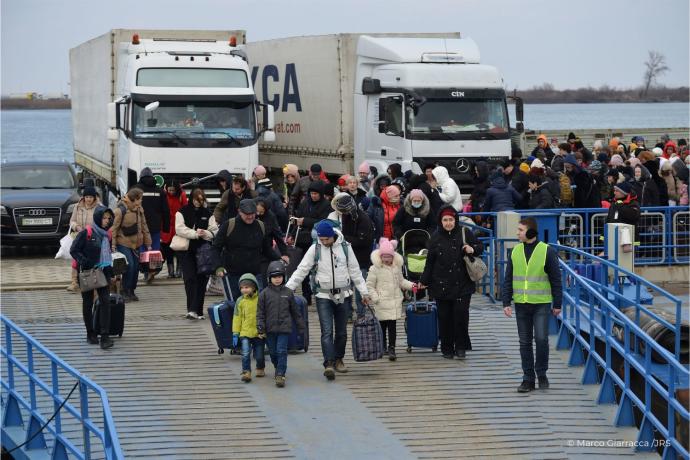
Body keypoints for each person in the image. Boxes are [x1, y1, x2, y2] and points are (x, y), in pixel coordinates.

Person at [286, 220, 371, 380]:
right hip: (323, 295)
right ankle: (329, 363)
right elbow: (302, 270)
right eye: (321, 239)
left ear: (333, 236)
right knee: (327, 331)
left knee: (341, 332)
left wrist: (364, 293)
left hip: (344, 295)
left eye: (326, 239)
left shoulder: (346, 247)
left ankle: (339, 359)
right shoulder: (315, 248)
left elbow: (355, 271)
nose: (324, 242)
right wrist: (288, 289)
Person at [502, 217, 563, 393]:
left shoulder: (547, 251)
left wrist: (557, 303)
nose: (517, 233)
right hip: (521, 304)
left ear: (530, 232)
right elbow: (508, 279)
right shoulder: (514, 252)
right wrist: (506, 302)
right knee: (524, 342)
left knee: (542, 340)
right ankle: (528, 378)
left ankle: (541, 372)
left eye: (520, 230)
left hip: (541, 304)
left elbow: (556, 279)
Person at [420, 205, 483, 359]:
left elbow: (480, 246)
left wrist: (472, 248)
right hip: (441, 284)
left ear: (455, 219)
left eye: (451, 219)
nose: (448, 223)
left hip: (462, 283)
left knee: (461, 316)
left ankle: (460, 347)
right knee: (444, 317)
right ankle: (447, 348)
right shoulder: (435, 237)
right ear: (440, 221)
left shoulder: (464, 232)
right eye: (445, 220)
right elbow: (430, 262)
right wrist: (423, 281)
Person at [214, 199, 278, 301]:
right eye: (247, 214)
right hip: (233, 274)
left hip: (255, 273)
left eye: (252, 213)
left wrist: (278, 259)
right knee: (235, 305)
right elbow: (216, 248)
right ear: (239, 211)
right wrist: (218, 267)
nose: (250, 216)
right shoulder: (229, 225)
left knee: (257, 304)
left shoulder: (260, 226)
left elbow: (267, 249)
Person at [70, 206, 116, 349]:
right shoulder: (86, 233)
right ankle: (90, 334)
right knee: (88, 303)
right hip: (88, 273)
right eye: (104, 218)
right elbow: (74, 250)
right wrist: (85, 262)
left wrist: (112, 271)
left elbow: (107, 254)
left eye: (109, 218)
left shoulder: (107, 234)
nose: (107, 221)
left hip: (103, 271)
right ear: (97, 217)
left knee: (105, 301)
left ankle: (105, 336)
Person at [257, 261, 306, 388]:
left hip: (284, 328)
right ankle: (277, 365)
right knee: (273, 352)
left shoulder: (289, 293)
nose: (277, 279)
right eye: (274, 277)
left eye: (280, 276)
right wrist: (260, 327)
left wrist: (301, 326)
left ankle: (280, 374)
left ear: (284, 277)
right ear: (269, 278)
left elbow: (295, 312)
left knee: (281, 351)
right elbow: (260, 313)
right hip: (269, 329)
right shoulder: (264, 294)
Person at [366, 238, 415, 361]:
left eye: (389, 257)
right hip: (381, 302)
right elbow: (370, 286)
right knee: (382, 326)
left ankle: (392, 347)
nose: (387, 259)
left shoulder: (396, 268)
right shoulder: (374, 269)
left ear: (393, 257)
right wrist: (376, 298)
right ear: (380, 257)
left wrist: (412, 285)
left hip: (394, 302)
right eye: (384, 257)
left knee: (392, 327)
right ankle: (383, 346)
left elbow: (401, 281)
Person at [327, 193, 375, 319]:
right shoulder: (346, 217)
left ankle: (361, 314)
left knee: (360, 289)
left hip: (361, 259)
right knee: (346, 287)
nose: (341, 213)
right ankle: (347, 313)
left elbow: (363, 241)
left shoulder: (364, 219)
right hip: (346, 257)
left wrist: (342, 237)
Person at [174, 188, 218, 319]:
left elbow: (214, 230)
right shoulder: (182, 212)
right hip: (186, 250)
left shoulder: (208, 213)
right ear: (191, 198)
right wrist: (194, 234)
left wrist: (206, 233)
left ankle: (198, 310)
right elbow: (179, 229)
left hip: (203, 251)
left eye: (201, 200)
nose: (198, 203)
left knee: (201, 280)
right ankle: (191, 309)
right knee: (190, 279)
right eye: (195, 200)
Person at [292, 180, 332, 303]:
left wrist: (305, 221)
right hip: (302, 240)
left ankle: (320, 293)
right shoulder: (305, 203)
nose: (313, 196)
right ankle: (306, 295)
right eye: (311, 193)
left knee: (318, 269)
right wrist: (293, 234)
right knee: (304, 267)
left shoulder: (326, 205)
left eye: (316, 193)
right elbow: (298, 219)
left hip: (318, 240)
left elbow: (323, 222)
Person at [111, 188, 152, 302]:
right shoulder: (120, 210)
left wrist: (148, 243)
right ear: (135, 199)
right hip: (123, 242)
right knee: (130, 266)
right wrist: (113, 245)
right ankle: (124, 290)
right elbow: (113, 229)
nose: (141, 201)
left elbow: (144, 226)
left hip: (136, 244)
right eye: (140, 199)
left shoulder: (139, 209)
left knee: (136, 268)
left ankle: (131, 291)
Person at [134, 168, 170, 282]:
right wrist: (166, 227)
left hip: (140, 226)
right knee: (154, 249)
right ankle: (152, 270)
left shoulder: (135, 190)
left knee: (143, 249)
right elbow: (166, 210)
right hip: (155, 226)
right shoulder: (160, 191)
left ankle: (145, 271)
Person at [67, 186, 101, 292]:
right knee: (76, 260)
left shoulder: (99, 208)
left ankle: (91, 283)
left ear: (94, 198)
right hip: (79, 237)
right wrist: (76, 226)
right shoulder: (78, 207)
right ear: (84, 197)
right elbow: (71, 221)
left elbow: (102, 223)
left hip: (92, 239)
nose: (89, 199)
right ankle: (74, 282)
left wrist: (92, 229)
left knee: (90, 261)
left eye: (91, 197)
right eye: (87, 197)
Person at [232, 273, 265, 383]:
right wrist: (235, 332)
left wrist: (265, 330)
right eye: (242, 288)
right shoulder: (240, 301)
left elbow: (265, 315)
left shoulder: (260, 299)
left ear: (254, 287)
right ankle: (246, 372)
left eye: (247, 287)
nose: (244, 290)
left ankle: (260, 367)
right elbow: (237, 317)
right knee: (245, 353)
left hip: (258, 332)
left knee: (259, 354)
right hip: (244, 332)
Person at [255, 197, 290, 286]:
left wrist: (284, 253)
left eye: (261, 212)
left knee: (263, 280)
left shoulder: (270, 217)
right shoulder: (250, 215)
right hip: (251, 253)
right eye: (257, 212)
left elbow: (277, 236)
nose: (258, 214)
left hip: (266, 252)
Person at [160, 180, 188, 278]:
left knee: (179, 248)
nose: (171, 192)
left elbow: (186, 208)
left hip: (178, 226)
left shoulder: (182, 195)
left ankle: (179, 270)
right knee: (168, 249)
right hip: (166, 226)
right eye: (169, 190)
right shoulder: (163, 195)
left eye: (173, 190)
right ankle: (170, 271)